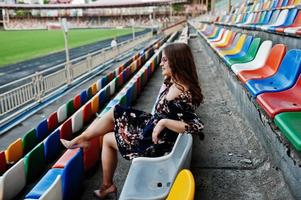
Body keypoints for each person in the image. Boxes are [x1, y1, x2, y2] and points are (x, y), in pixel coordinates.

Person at [61, 42, 204, 199]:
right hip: (152, 128)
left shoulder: (184, 93)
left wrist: (164, 123)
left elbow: (195, 126)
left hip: (152, 144)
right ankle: (85, 142)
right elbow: (163, 109)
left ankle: (105, 182)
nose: (161, 63)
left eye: (164, 60)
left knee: (108, 138)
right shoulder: (175, 82)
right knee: (116, 111)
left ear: (176, 62)